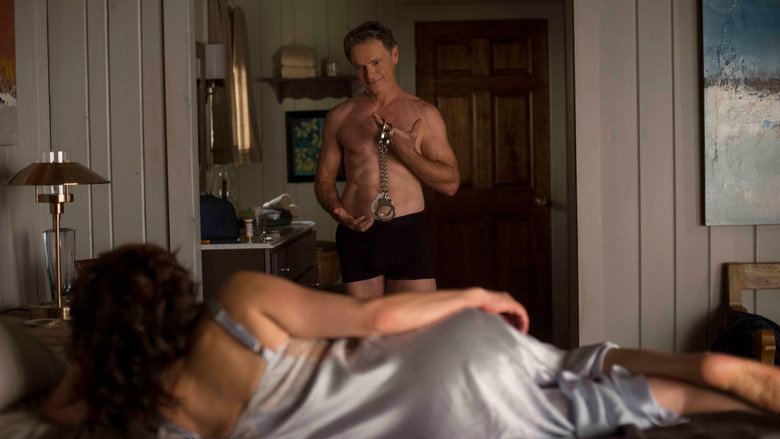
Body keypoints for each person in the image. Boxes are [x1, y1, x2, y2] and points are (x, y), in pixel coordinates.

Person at [43, 244, 780, 438]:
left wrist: (97, 352)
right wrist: (475, 297)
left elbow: (58, 408)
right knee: (567, 364)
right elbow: (375, 320)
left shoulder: (154, 413)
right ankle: (711, 366)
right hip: (435, 353)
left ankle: (709, 391)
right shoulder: (239, 301)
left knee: (582, 412)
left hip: (441, 420)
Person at [314, 21, 460, 299]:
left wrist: (408, 153)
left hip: (407, 233)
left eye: (376, 62)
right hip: (356, 235)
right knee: (365, 325)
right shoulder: (340, 116)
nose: (369, 74)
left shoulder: (424, 114)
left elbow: (450, 183)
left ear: (394, 54)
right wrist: (337, 211)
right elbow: (324, 179)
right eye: (359, 67)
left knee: (414, 323)